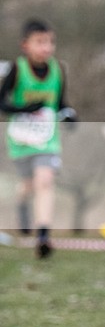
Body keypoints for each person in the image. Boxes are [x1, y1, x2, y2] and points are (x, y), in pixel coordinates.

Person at [0, 18, 77, 258]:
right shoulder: (16, 69)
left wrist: (69, 116)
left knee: (45, 180)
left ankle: (43, 235)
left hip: (47, 139)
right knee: (28, 186)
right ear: (26, 45)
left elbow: (61, 104)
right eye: (40, 42)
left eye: (50, 42)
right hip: (21, 139)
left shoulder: (58, 69)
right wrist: (23, 108)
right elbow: (2, 103)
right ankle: (22, 204)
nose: (46, 47)